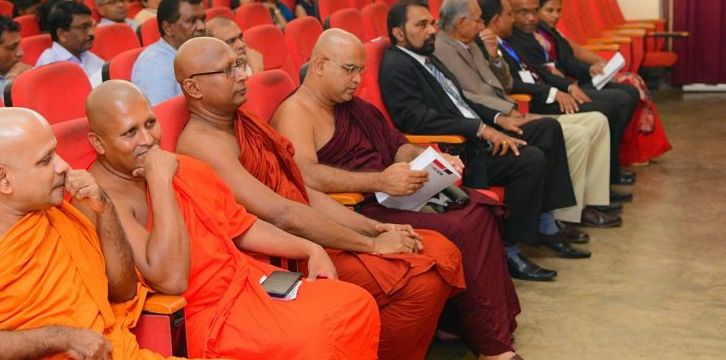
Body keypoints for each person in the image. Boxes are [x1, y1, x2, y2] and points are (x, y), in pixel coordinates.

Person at [174, 37, 465, 360]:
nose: (244, 75)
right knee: (422, 281)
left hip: (309, 231)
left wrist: (373, 228)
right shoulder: (202, 143)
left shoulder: (245, 122)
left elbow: (300, 191)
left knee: (441, 248)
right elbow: (281, 213)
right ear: (194, 88)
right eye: (229, 70)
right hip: (277, 255)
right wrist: (370, 245)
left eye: (240, 65)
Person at [272, 30, 523, 360]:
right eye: (349, 69)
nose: (357, 80)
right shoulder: (296, 112)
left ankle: (457, 323)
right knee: (463, 227)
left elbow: (396, 145)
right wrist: (379, 181)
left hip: (391, 195)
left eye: (361, 71)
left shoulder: (353, 106)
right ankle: (491, 345)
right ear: (319, 65)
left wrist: (430, 158)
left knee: (478, 208)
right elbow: (305, 176)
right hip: (358, 210)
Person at [85, 81, 382, 359]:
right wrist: (160, 182)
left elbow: (241, 226)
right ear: (98, 143)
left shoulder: (183, 167)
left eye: (150, 123)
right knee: (316, 338)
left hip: (247, 282)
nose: (148, 140)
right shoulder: (103, 201)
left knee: (355, 304)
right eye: (130, 133)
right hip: (200, 313)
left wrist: (309, 248)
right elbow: (171, 280)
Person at [0, 107, 173, 360]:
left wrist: (105, 211)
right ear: (3, 179)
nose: (63, 166)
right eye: (46, 160)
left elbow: (123, 293)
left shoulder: (56, 215)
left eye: (56, 153)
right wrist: (61, 338)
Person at [379, 0, 587, 279]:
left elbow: (462, 101)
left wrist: (499, 119)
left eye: (432, 23)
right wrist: (479, 128)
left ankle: (546, 222)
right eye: (422, 25)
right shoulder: (397, 64)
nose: (432, 30)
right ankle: (510, 249)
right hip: (459, 148)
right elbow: (415, 119)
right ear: (399, 33)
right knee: (529, 159)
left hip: (477, 131)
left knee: (547, 128)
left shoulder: (426, 57)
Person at [436, 0, 619, 231]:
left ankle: (581, 205)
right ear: (461, 22)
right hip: (492, 121)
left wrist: (494, 56)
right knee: (569, 134)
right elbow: (465, 96)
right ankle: (562, 217)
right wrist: (505, 114)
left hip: (507, 110)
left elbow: (504, 84)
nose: (483, 25)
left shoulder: (472, 43)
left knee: (594, 121)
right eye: (479, 20)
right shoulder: (441, 49)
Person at [505, 0, 638, 190]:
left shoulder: (542, 29)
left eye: (534, 11)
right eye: (524, 12)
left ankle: (610, 172)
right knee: (613, 105)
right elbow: (538, 74)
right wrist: (566, 86)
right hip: (544, 96)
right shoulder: (511, 38)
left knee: (628, 93)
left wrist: (590, 69)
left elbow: (566, 58)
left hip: (563, 85)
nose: (531, 18)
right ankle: (606, 178)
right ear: (510, 13)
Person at [537, 0, 672, 165]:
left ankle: (627, 154)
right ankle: (615, 160)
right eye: (549, 10)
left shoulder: (552, 33)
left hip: (573, 80)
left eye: (558, 10)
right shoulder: (535, 36)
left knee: (631, 87)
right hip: (560, 90)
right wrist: (571, 81)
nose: (556, 15)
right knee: (623, 95)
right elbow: (547, 70)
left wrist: (595, 66)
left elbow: (570, 56)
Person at [131, 0, 205, 104]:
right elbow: (158, 113)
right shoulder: (154, 65)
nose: (202, 26)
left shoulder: (197, 51)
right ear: (168, 28)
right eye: (191, 21)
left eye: (203, 19)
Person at [36, 1, 103, 87]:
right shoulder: (49, 64)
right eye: (83, 27)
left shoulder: (85, 54)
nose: (91, 33)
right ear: (61, 34)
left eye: (91, 26)